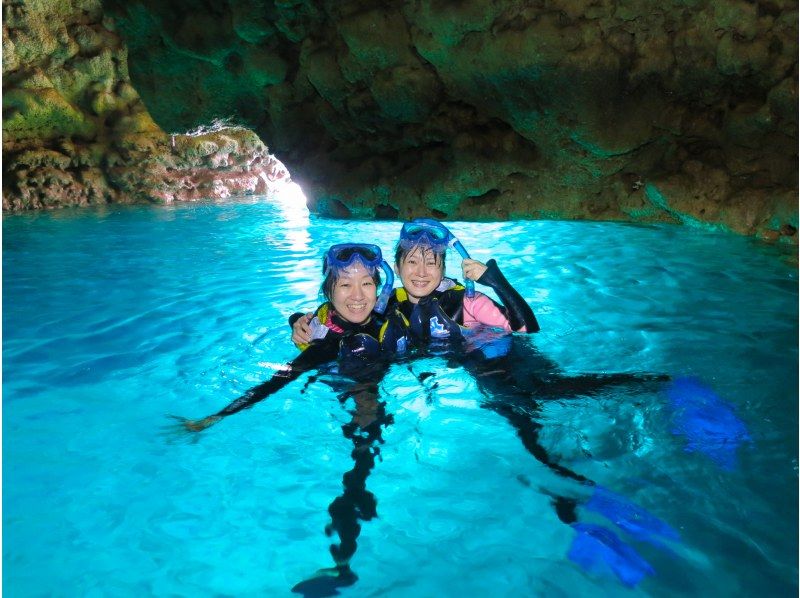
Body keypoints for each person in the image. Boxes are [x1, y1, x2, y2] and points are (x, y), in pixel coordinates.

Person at [173, 242, 404, 432]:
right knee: (368, 421)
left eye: (366, 283)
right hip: (357, 386)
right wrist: (218, 416)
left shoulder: (390, 311)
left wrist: (295, 319)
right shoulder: (327, 345)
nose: (357, 295)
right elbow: (275, 382)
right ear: (329, 292)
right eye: (345, 284)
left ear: (380, 290)